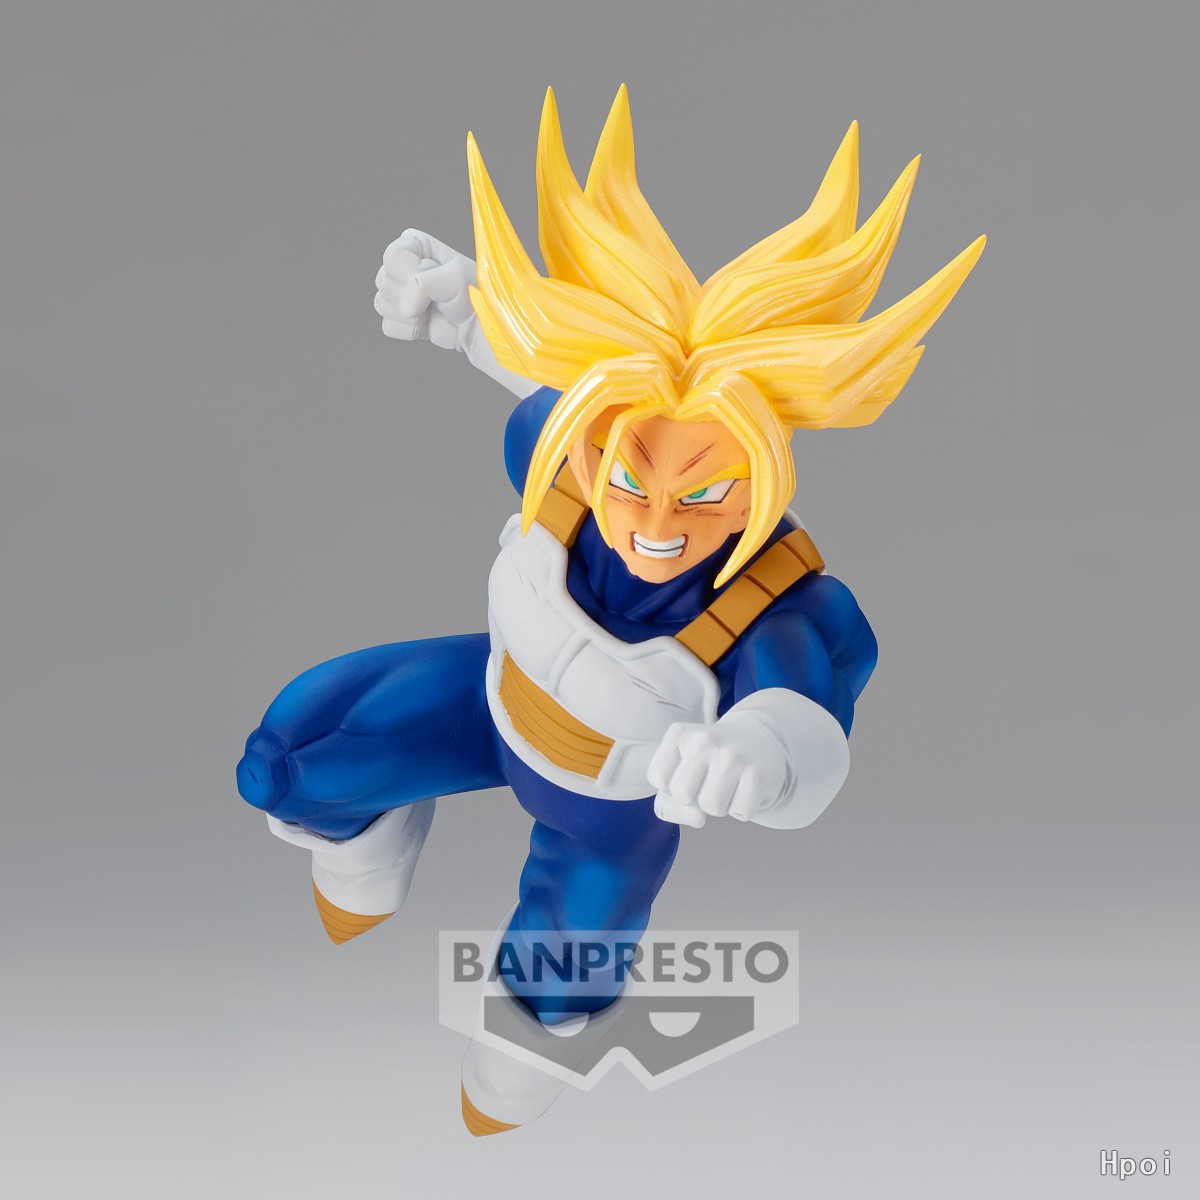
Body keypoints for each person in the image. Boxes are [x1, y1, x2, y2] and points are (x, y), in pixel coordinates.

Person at [237, 86, 984, 1134]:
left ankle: (519, 1069)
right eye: (631, 477)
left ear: (762, 474)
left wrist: (755, 757)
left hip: (609, 810)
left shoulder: (780, 605)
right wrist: (465, 303)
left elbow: (809, 737)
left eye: (706, 491)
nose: (658, 520)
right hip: (487, 706)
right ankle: (372, 840)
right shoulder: (571, 460)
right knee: (292, 755)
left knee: (549, 994)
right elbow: (535, 373)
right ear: (594, 451)